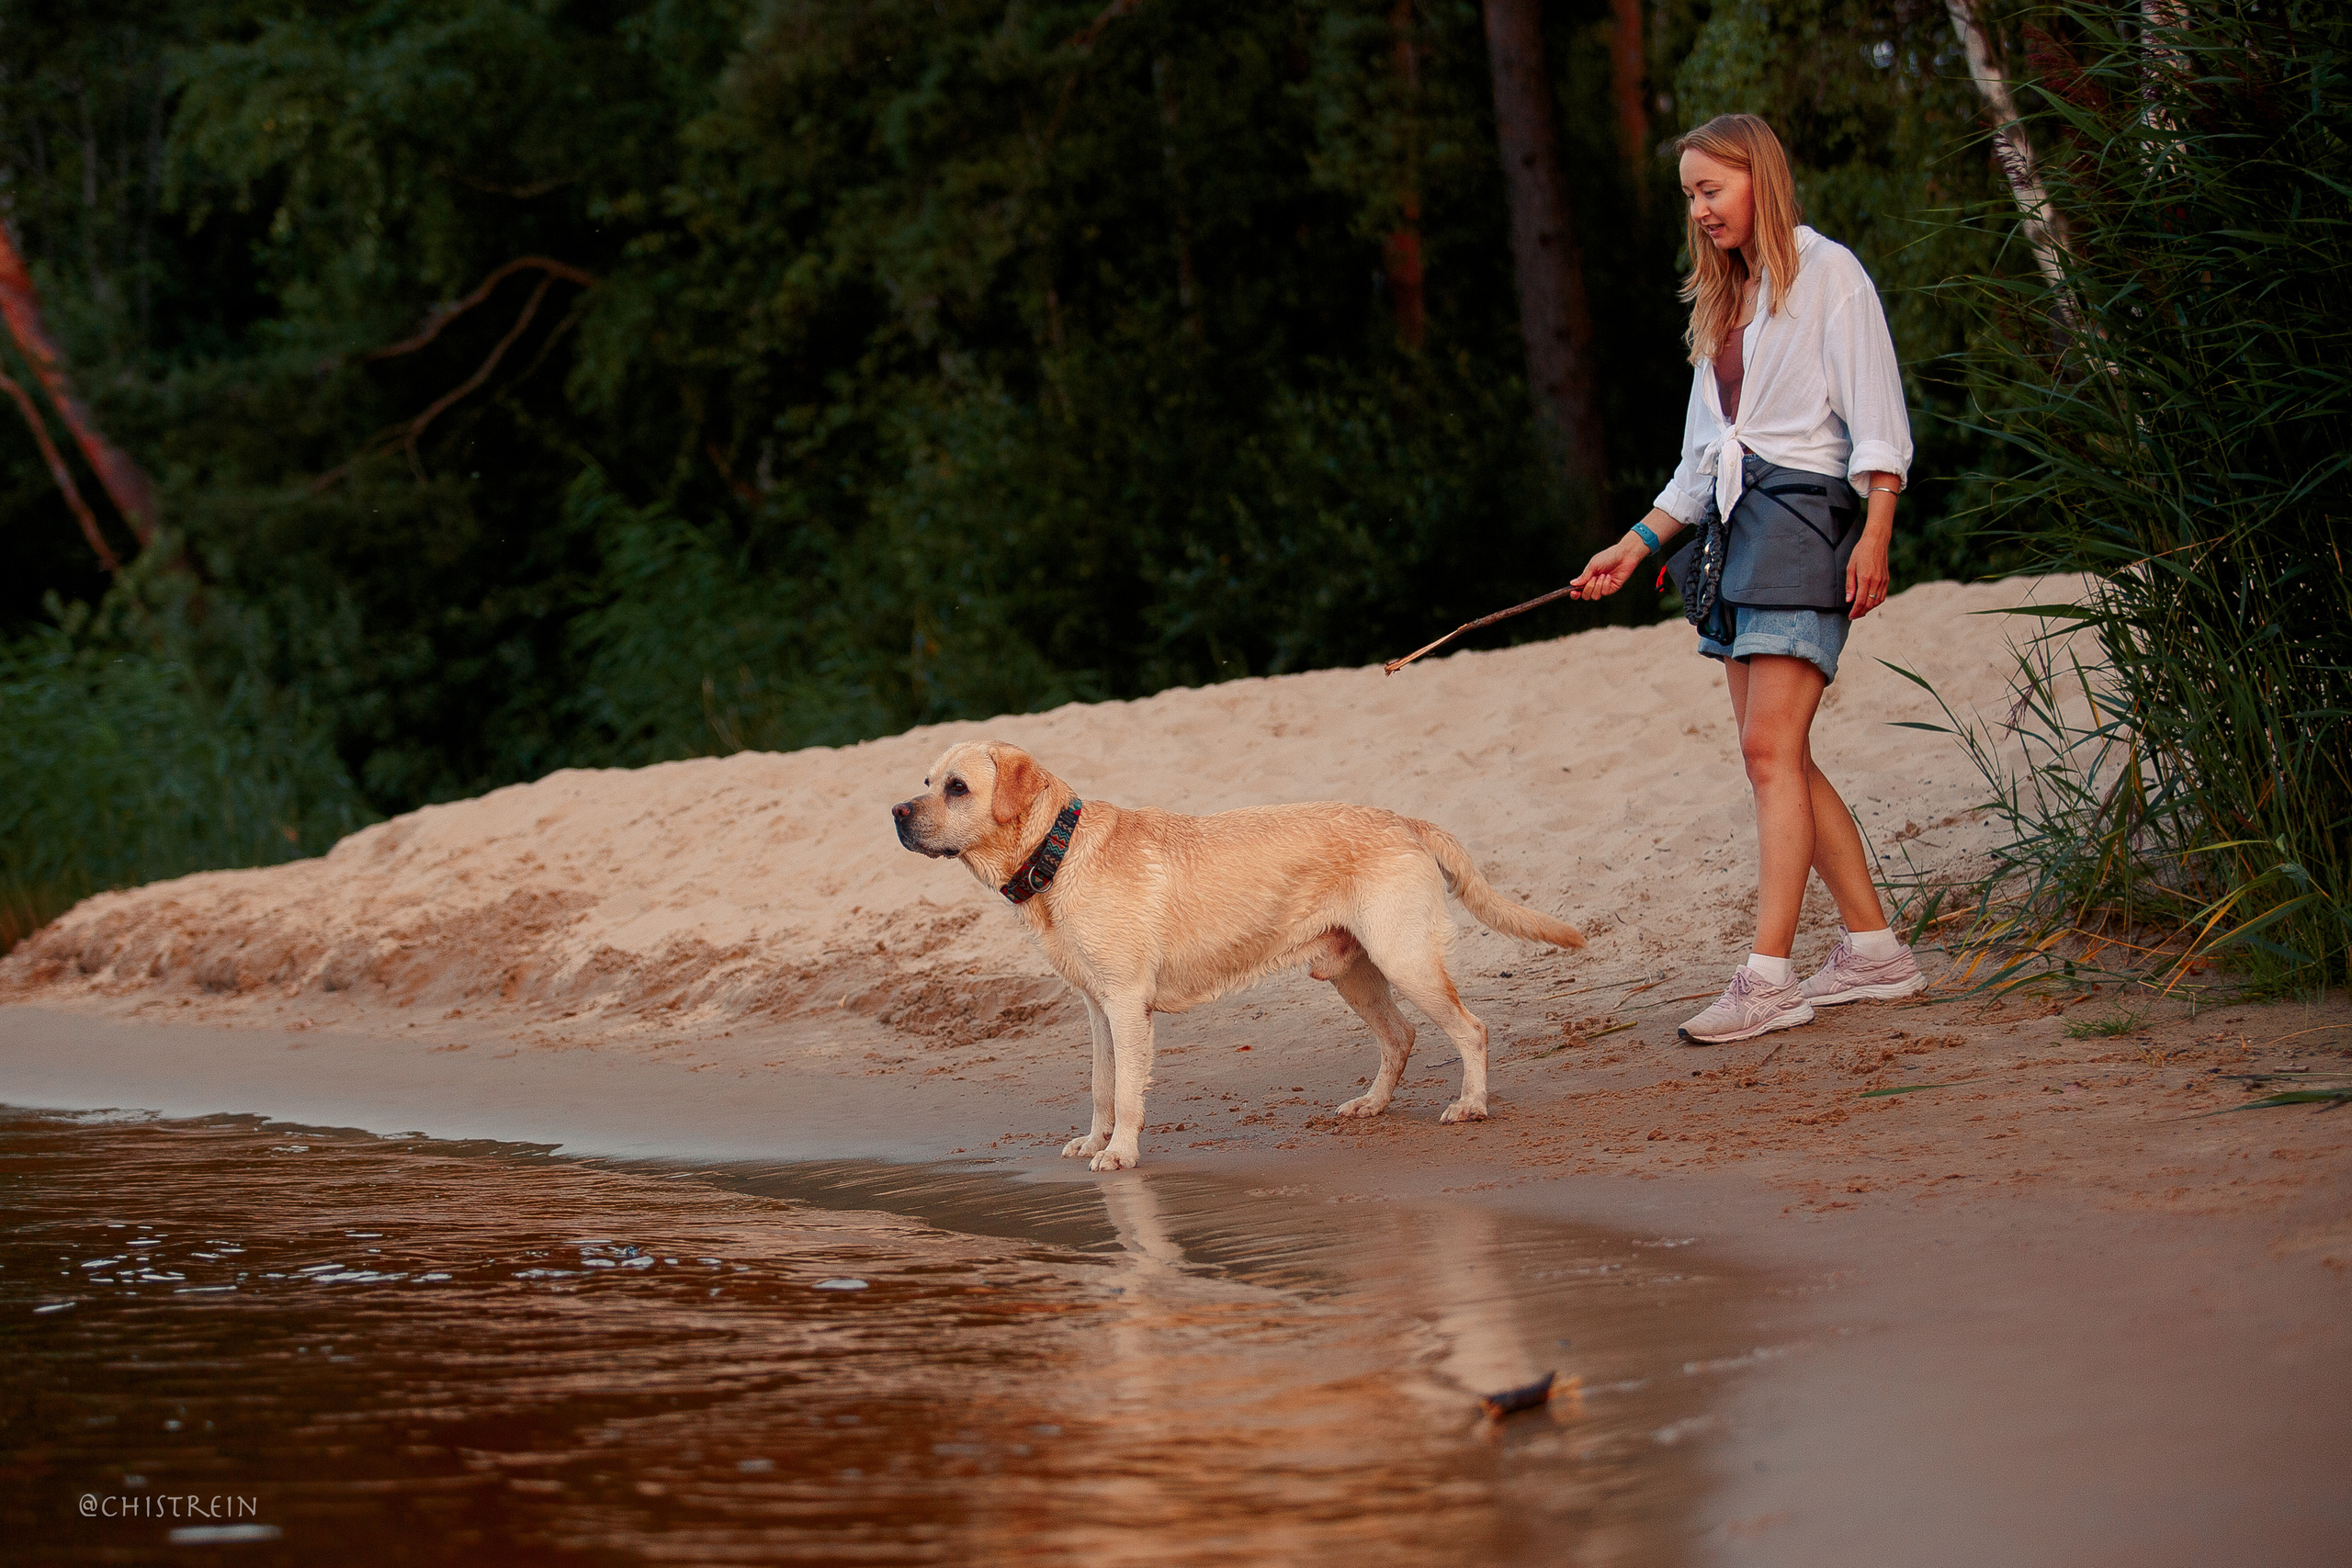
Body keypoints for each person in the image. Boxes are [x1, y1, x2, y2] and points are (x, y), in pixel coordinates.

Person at [1570, 112, 1927, 1044]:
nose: (1699, 211)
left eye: (1710, 190)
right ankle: (1873, 953)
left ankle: (1767, 977)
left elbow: (1879, 418)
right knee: (1779, 756)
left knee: (1770, 751)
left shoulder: (1827, 274)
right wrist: (1635, 544)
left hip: (1805, 524)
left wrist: (1875, 530)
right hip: (1731, 534)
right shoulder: (1726, 300)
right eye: (1690, 195)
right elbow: (1701, 462)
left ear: (1759, 179)